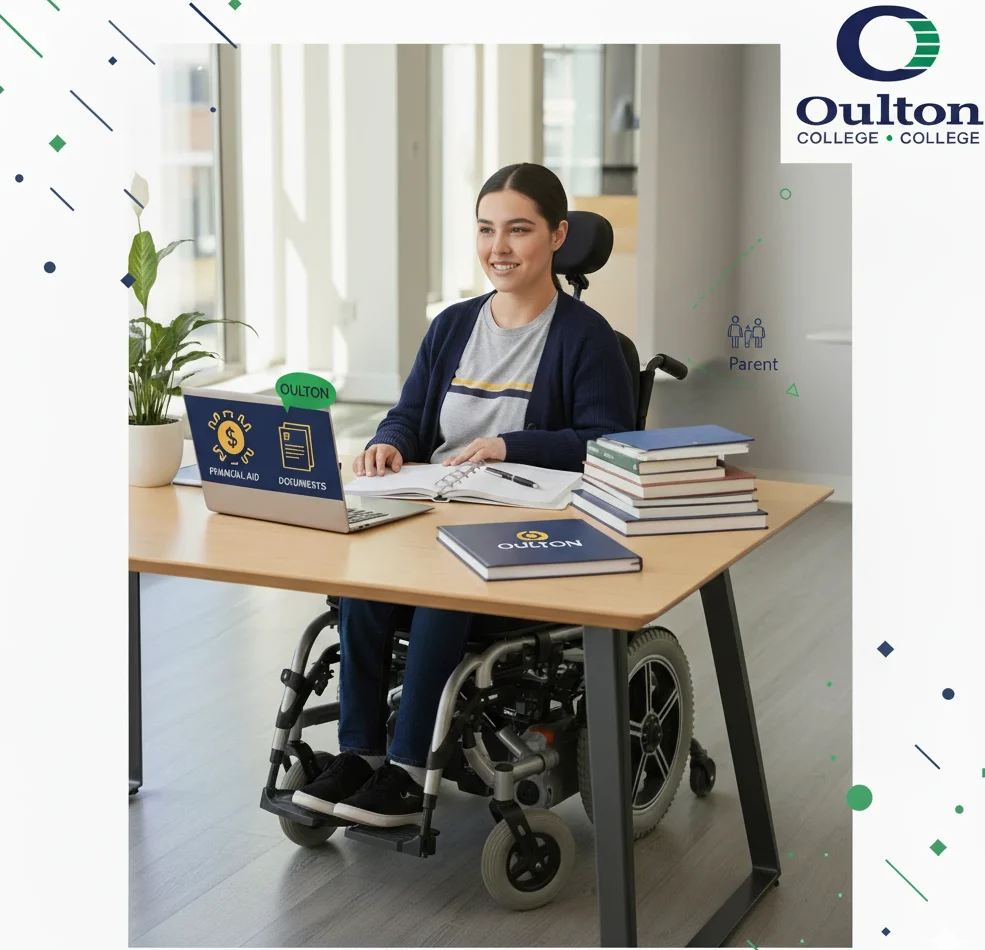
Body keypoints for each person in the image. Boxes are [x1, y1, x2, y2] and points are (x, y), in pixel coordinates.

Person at [291, 162, 636, 829]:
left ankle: (408, 770)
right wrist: (388, 444)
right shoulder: (452, 326)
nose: (497, 247)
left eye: (518, 230)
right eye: (485, 230)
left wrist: (512, 444)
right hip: (430, 512)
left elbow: (607, 441)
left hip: (520, 531)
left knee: (441, 590)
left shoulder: (586, 338)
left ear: (558, 236)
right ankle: (360, 756)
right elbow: (408, 415)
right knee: (363, 584)